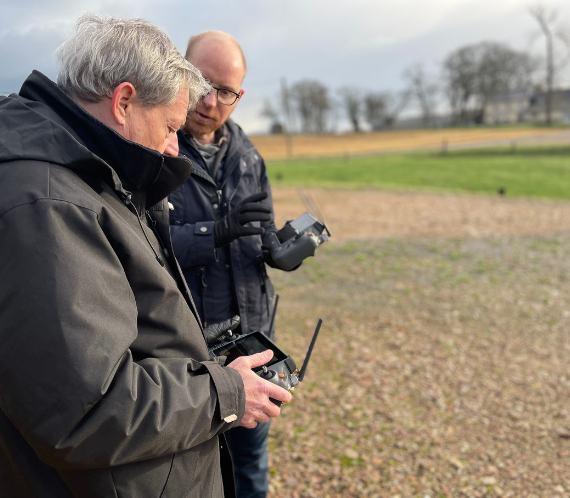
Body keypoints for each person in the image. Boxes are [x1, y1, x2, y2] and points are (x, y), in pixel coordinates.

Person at [0, 15, 291, 498]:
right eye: (171, 125)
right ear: (124, 101)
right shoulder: (50, 204)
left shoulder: (88, 175)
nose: (174, 146)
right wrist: (227, 391)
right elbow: (86, 411)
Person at [169, 31, 300, 498]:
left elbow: (259, 235)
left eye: (227, 91)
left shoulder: (247, 155)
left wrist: (281, 249)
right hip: (189, 352)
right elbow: (141, 246)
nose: (211, 100)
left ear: (239, 95)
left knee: (250, 465)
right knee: (192, 474)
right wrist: (216, 231)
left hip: (253, 338)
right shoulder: (155, 149)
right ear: (178, 70)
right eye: (202, 82)